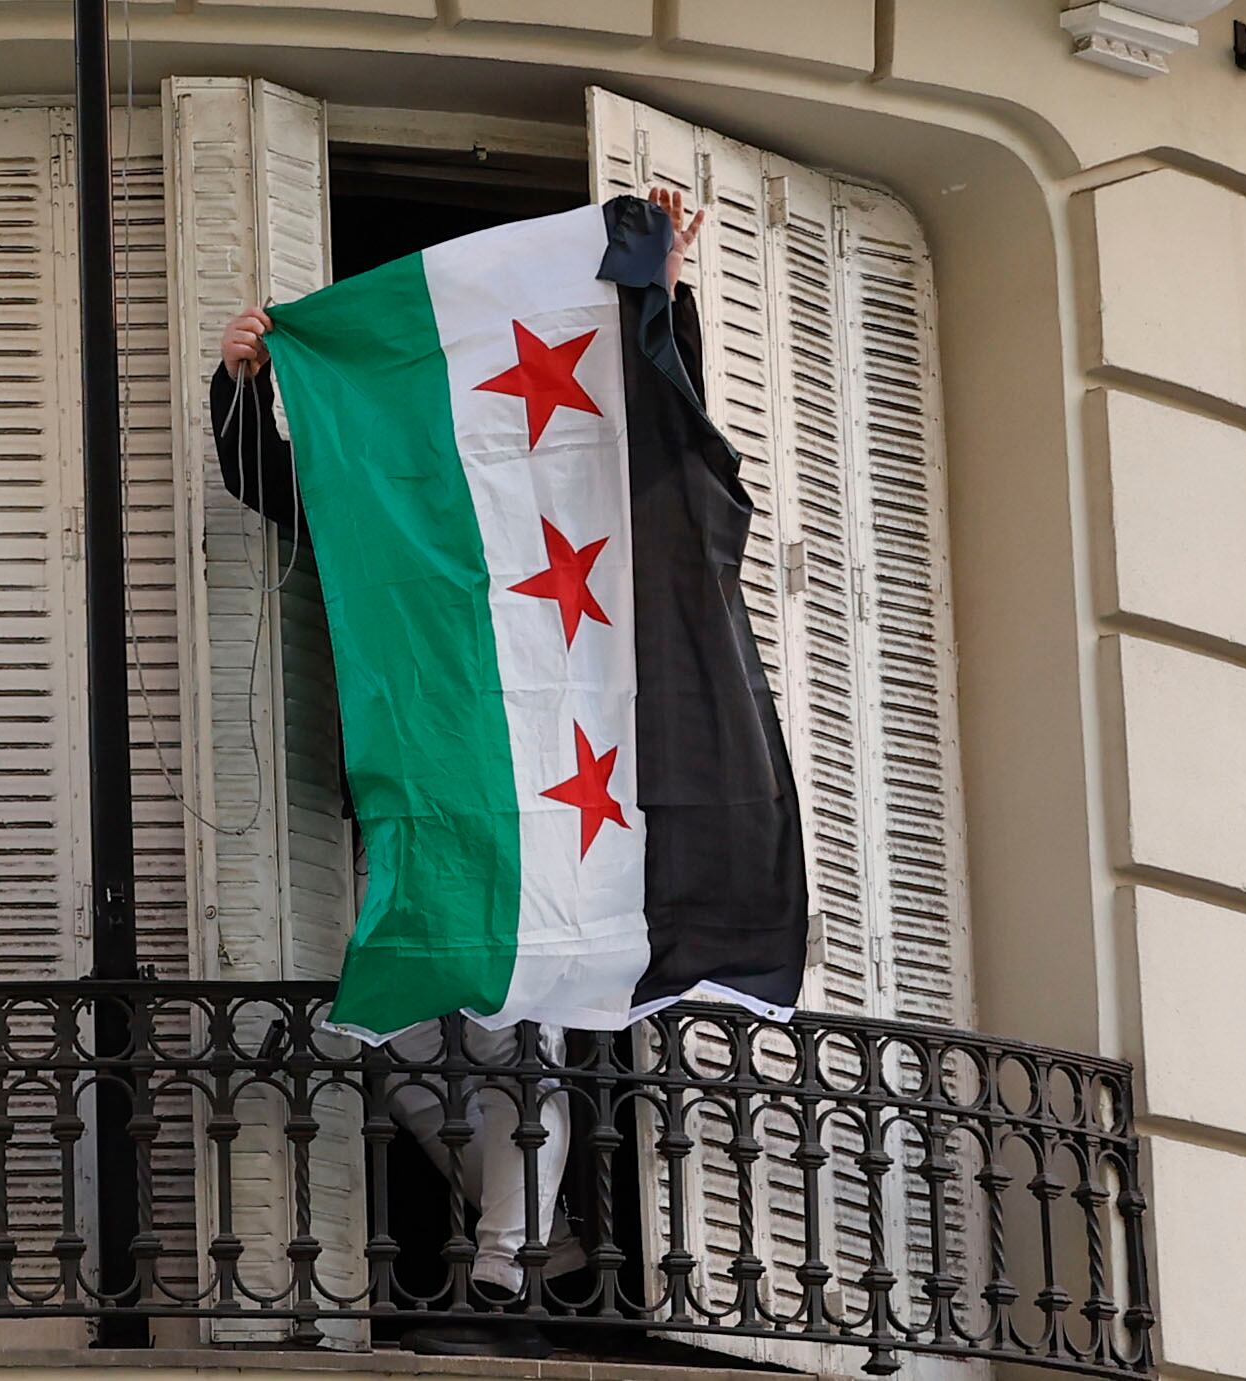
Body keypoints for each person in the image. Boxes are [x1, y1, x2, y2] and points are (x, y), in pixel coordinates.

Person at [211, 187, 707, 1355]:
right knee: (415, 1028)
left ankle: (505, 1257)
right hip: (424, 768)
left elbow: (655, 429)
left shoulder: (572, 470)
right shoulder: (379, 485)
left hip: (560, 767)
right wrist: (239, 386)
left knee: (522, 1007)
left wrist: (659, 297)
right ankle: (540, 1237)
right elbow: (272, 483)